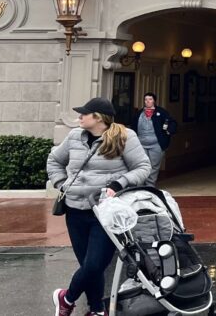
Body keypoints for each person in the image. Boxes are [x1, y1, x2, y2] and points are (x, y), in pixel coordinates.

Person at [48, 97, 151, 316]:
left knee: (95, 264)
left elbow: (143, 167)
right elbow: (54, 160)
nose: (79, 116)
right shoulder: (74, 136)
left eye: (84, 113)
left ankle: (66, 298)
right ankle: (97, 309)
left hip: (105, 212)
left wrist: (118, 184)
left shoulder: (124, 137)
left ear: (98, 118)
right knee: (88, 265)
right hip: (75, 210)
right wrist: (61, 184)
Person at [131, 92, 177, 187]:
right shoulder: (139, 113)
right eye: (146, 99)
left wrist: (168, 131)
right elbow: (133, 127)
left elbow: (172, 123)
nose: (147, 101)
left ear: (154, 101)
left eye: (150, 99)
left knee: (154, 166)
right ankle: (140, 185)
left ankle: (150, 186)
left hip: (156, 145)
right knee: (141, 165)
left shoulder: (161, 112)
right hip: (141, 144)